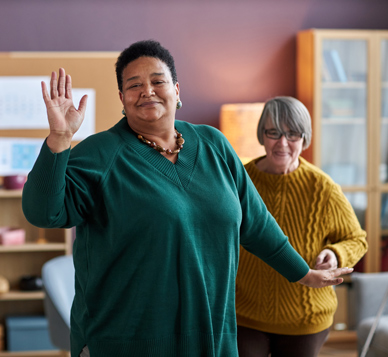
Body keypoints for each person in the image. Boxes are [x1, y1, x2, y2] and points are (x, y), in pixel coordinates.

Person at [22, 40, 353, 357]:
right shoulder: (99, 154)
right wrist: (60, 139)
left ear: (176, 90)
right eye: (134, 85)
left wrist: (302, 274)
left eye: (157, 81)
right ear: (122, 98)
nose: (147, 91)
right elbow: (44, 214)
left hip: (211, 336)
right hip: (127, 340)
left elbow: (256, 223)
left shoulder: (214, 145)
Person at [235, 96, 368, 357]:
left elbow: (356, 239)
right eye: (273, 132)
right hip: (246, 313)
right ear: (262, 134)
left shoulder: (323, 187)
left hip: (305, 318)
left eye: (292, 134)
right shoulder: (240, 180)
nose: (282, 143)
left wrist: (335, 253)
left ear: (304, 139)